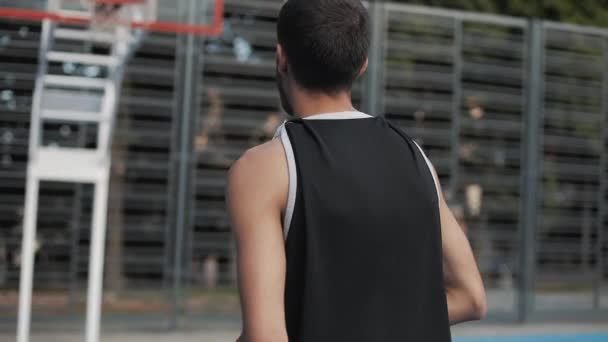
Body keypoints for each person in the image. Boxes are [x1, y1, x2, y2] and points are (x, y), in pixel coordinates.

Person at [226, 1, 486, 341]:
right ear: (362, 65)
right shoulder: (415, 156)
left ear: (281, 58)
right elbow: (471, 298)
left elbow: (266, 336)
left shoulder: (263, 169)